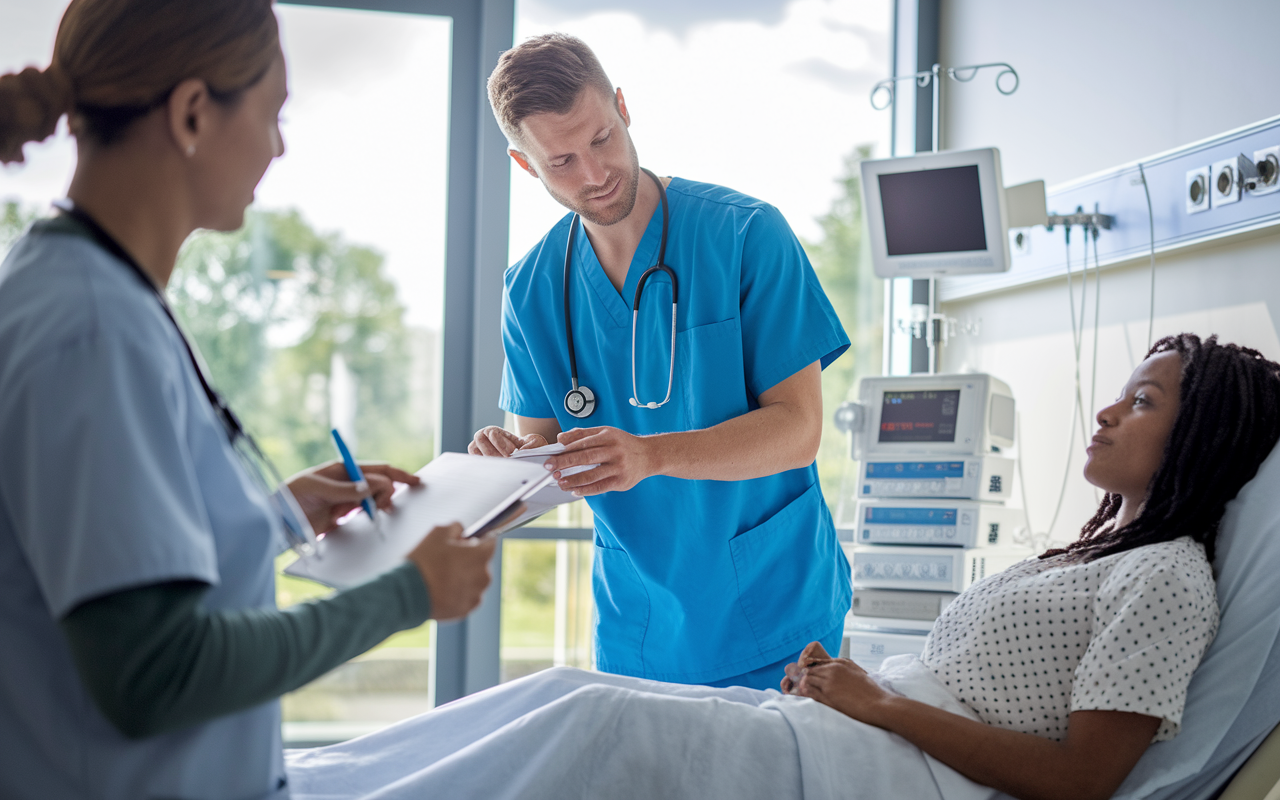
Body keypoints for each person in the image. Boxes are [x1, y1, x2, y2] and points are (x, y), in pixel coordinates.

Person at [284, 333, 1280, 800]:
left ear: (1203, 438)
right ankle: (299, 783)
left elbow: (1082, 780)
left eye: (1141, 401)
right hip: (860, 739)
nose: (1106, 410)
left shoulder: (1166, 580)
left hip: (897, 773)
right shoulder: (1091, 555)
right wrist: (843, 691)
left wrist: (878, 704)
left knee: (588, 721)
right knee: (561, 688)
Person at [0, 3, 495, 799]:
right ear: (193, 112)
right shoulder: (93, 330)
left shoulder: (83, 289)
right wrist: (410, 595)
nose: (279, 146)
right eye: (274, 114)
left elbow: (115, 556)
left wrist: (281, 517)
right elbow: (154, 673)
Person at [469, 33, 852, 690]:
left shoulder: (745, 235)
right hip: (639, 625)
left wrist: (650, 455)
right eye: (560, 160)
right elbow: (541, 458)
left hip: (775, 608)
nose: (593, 173)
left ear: (621, 106)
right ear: (524, 164)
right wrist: (504, 470)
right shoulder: (529, 290)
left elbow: (798, 431)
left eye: (601, 138)